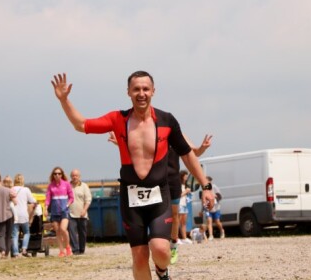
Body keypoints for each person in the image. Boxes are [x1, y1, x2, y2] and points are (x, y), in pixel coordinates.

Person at [51, 71, 214, 280]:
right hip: (130, 198)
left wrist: (205, 186)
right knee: (139, 256)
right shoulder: (118, 119)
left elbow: (187, 154)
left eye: (146, 89)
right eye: (136, 89)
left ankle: (162, 271)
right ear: (128, 92)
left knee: (161, 250)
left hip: (159, 197)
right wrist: (64, 100)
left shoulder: (167, 120)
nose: (141, 93)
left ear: (153, 91)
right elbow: (81, 125)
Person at [109, 132, 211, 264]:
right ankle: (155, 245)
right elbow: (135, 148)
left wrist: (203, 147)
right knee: (153, 213)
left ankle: (173, 244)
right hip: (154, 180)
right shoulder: (148, 131)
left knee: (175, 215)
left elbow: (195, 153)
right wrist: (119, 142)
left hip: (172, 180)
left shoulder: (177, 133)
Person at [44, 167, 74, 257]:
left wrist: (67, 205)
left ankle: (68, 247)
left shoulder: (66, 184)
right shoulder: (50, 186)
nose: (57, 175)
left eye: (59, 173)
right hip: (54, 212)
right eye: (55, 173)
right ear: (53, 175)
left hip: (64, 211)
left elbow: (71, 197)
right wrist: (45, 208)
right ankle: (61, 251)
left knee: (63, 229)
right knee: (57, 231)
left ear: (62, 174)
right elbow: (48, 199)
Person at [11, 173, 36, 257]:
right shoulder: (26, 190)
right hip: (23, 214)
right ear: (23, 181)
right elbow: (32, 200)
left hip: (14, 214)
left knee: (15, 235)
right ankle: (24, 249)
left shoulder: (12, 189)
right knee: (26, 232)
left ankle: (15, 253)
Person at [68, 169, 92, 255]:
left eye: (76, 175)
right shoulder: (68, 186)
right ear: (71, 176)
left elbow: (88, 200)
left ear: (79, 176)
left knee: (82, 232)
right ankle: (75, 250)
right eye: (73, 175)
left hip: (82, 214)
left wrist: (84, 210)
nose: (75, 177)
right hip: (71, 213)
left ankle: (82, 249)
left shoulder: (84, 186)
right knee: (72, 233)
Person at [202, 176, 225, 240]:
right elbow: (203, 199)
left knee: (217, 221)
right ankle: (211, 235)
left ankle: (222, 230)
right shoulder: (204, 188)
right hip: (208, 208)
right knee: (209, 221)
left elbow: (220, 196)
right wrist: (203, 209)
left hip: (216, 207)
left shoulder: (214, 187)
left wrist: (215, 196)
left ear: (209, 181)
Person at [177, 170, 191, 245]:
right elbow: (177, 196)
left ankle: (184, 238)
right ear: (182, 176)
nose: (186, 177)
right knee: (177, 222)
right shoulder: (178, 185)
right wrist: (185, 192)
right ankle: (176, 238)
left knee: (183, 223)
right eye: (185, 176)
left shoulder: (185, 185)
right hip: (179, 205)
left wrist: (187, 192)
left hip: (184, 205)